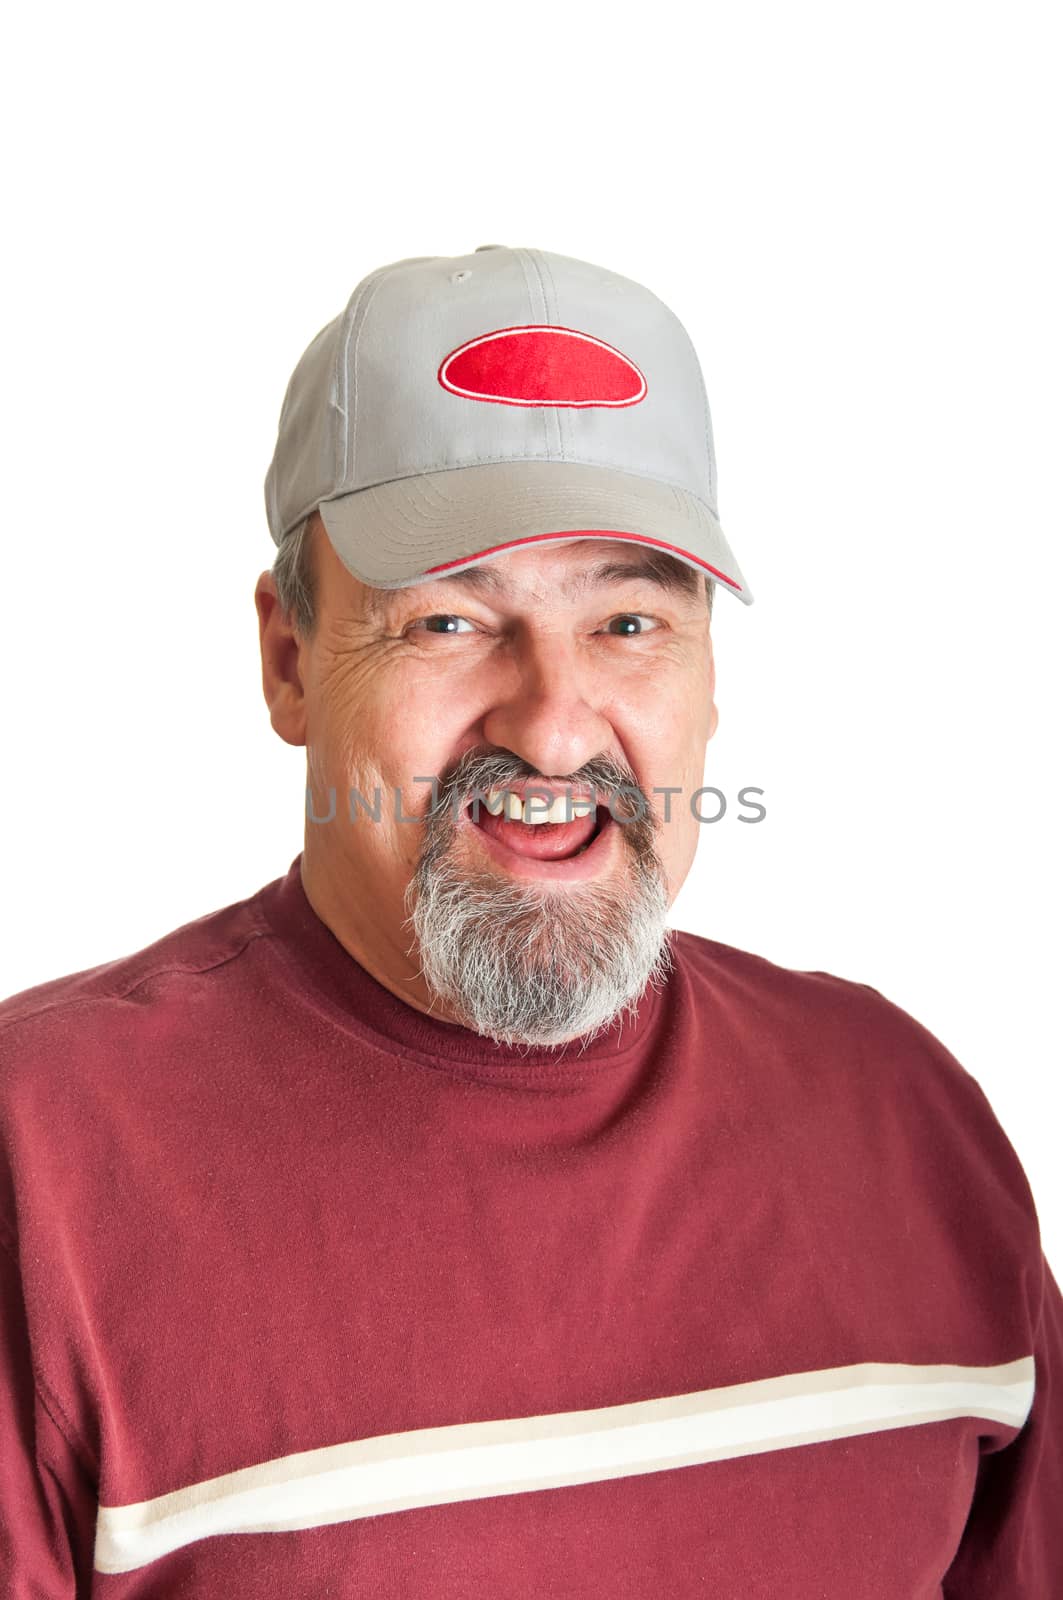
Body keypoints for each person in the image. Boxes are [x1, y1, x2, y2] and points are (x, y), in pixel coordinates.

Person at [1, 245, 1059, 1598]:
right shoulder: (42, 1167)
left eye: (626, 621)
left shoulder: (903, 1117)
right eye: (450, 621)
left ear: (707, 674)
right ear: (288, 663)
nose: (553, 721)